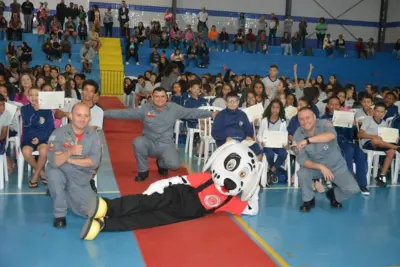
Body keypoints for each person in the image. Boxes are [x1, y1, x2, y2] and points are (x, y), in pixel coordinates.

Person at [80, 141, 263, 241]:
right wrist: (158, 186)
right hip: (178, 194)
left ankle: (103, 225)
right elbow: (181, 179)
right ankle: (106, 207)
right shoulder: (206, 178)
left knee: (146, 220)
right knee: (143, 202)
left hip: (184, 213)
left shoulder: (230, 201)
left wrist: (254, 187)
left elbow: (252, 210)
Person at [104, 87, 218, 182]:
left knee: (174, 166)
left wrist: (210, 113)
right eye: (157, 96)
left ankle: (161, 163)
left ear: (166, 98)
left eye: (162, 96)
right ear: (152, 98)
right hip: (149, 142)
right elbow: (125, 113)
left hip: (166, 144)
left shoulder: (174, 108)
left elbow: (191, 112)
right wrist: (104, 113)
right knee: (138, 142)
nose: (160, 99)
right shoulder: (145, 109)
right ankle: (143, 171)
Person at [46, 103, 102, 228]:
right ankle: (59, 214)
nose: (82, 119)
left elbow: (94, 162)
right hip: (60, 172)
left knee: (94, 211)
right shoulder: (58, 133)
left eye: (86, 116)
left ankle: (66, 195)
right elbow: (54, 161)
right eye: (78, 115)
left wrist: (68, 158)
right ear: (71, 116)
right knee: (54, 174)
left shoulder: (94, 136)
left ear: (90, 118)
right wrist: (71, 151)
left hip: (80, 178)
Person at [293, 107, 360, 212]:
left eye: (308, 118)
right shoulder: (298, 134)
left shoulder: (325, 123)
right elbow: (303, 160)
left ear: (314, 117)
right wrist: (321, 167)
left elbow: (330, 136)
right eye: (301, 119)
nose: (305, 121)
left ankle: (333, 195)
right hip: (315, 167)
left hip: (336, 166)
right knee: (302, 172)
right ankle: (308, 200)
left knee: (353, 189)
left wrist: (307, 141)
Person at [321, 97, 369, 195]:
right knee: (348, 151)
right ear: (328, 105)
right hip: (332, 143)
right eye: (332, 104)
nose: (334, 106)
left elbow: (350, 136)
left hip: (346, 142)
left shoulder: (345, 117)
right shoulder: (323, 118)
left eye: (336, 104)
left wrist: (353, 126)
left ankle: (362, 184)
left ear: (340, 106)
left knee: (360, 154)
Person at [358, 103, 400, 187]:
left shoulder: (385, 123)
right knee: (376, 140)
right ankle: (396, 147)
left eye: (382, 112)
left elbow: (386, 137)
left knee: (391, 151)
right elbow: (360, 135)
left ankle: (382, 175)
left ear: (384, 113)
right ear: (373, 111)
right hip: (368, 143)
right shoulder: (368, 120)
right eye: (377, 111)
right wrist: (372, 136)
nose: (379, 113)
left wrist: (395, 138)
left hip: (381, 144)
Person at [20, 88, 54, 188]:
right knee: (26, 152)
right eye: (31, 95)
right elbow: (28, 123)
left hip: (42, 138)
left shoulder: (47, 110)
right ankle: (42, 173)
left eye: (37, 95)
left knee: (44, 151)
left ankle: (35, 175)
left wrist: (40, 138)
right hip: (28, 138)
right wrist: (36, 110)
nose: (34, 97)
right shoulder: (24, 109)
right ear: (27, 97)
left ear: (41, 97)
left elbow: (50, 128)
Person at [212, 92, 262, 158]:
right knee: (236, 154)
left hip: (242, 140)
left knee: (257, 149)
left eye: (234, 101)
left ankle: (256, 168)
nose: (232, 103)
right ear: (226, 103)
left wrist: (248, 136)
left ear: (238, 102)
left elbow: (249, 129)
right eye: (230, 101)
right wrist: (225, 138)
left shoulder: (242, 114)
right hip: (226, 140)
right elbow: (215, 132)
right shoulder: (221, 115)